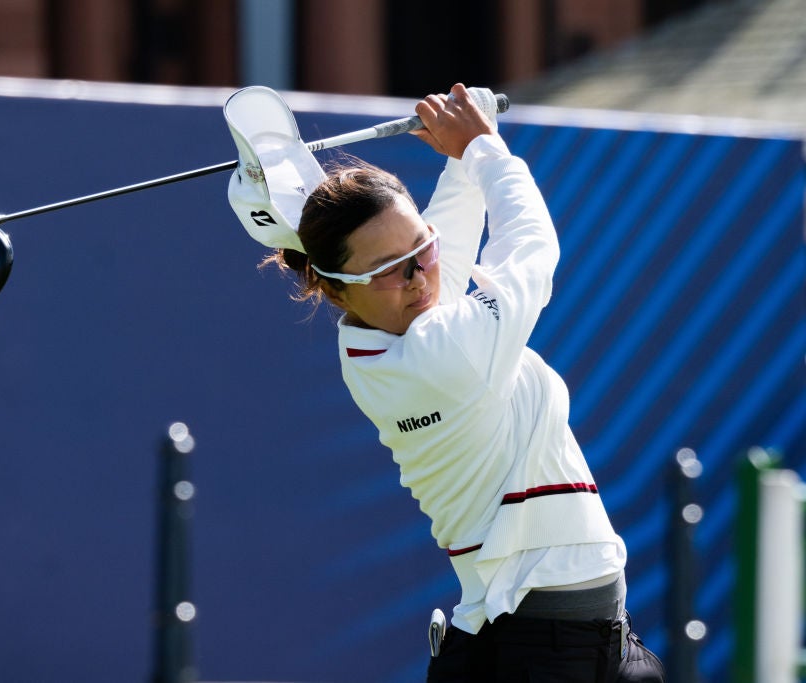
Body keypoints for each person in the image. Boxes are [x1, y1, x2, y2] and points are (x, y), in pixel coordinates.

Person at [261, 83, 666, 682]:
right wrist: (483, 147)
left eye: (422, 248)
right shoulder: (446, 354)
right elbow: (532, 249)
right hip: (548, 653)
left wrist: (459, 160)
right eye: (388, 269)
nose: (419, 275)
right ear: (337, 288)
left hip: (539, 642)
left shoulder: (374, 341)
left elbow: (433, 270)